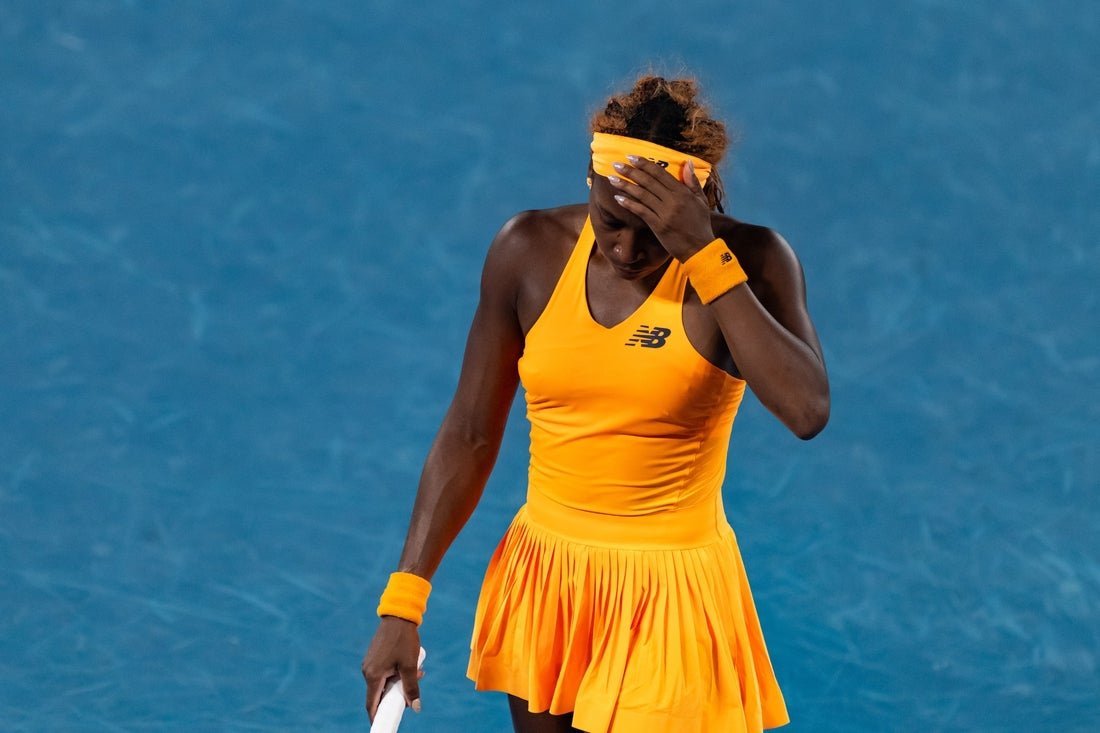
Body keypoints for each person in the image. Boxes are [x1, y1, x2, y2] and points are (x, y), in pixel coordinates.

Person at [361, 74, 829, 733]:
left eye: (654, 231)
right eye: (612, 221)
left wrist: (702, 253)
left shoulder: (751, 258)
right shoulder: (527, 251)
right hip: (547, 584)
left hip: (672, 597)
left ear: (691, 207)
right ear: (589, 182)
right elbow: (469, 433)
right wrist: (402, 603)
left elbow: (806, 410)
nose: (628, 249)